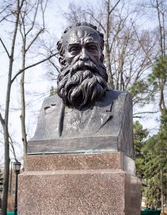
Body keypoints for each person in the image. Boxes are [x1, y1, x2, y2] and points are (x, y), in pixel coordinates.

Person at [28, 22, 134, 158]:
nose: (84, 56)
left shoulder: (120, 101)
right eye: (74, 49)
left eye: (91, 48)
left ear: (101, 57)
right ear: (63, 60)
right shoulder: (48, 107)